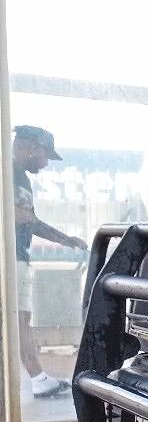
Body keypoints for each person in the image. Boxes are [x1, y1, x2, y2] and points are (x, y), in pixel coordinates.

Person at [12, 125, 86, 398]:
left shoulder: (22, 179)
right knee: (18, 319)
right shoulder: (6, 173)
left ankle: (38, 377)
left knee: (21, 317)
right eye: (44, 155)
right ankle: (38, 378)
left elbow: (30, 221)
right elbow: (18, 216)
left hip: (19, 257)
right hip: (10, 260)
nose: (45, 163)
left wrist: (67, 239)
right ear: (31, 147)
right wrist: (21, 215)